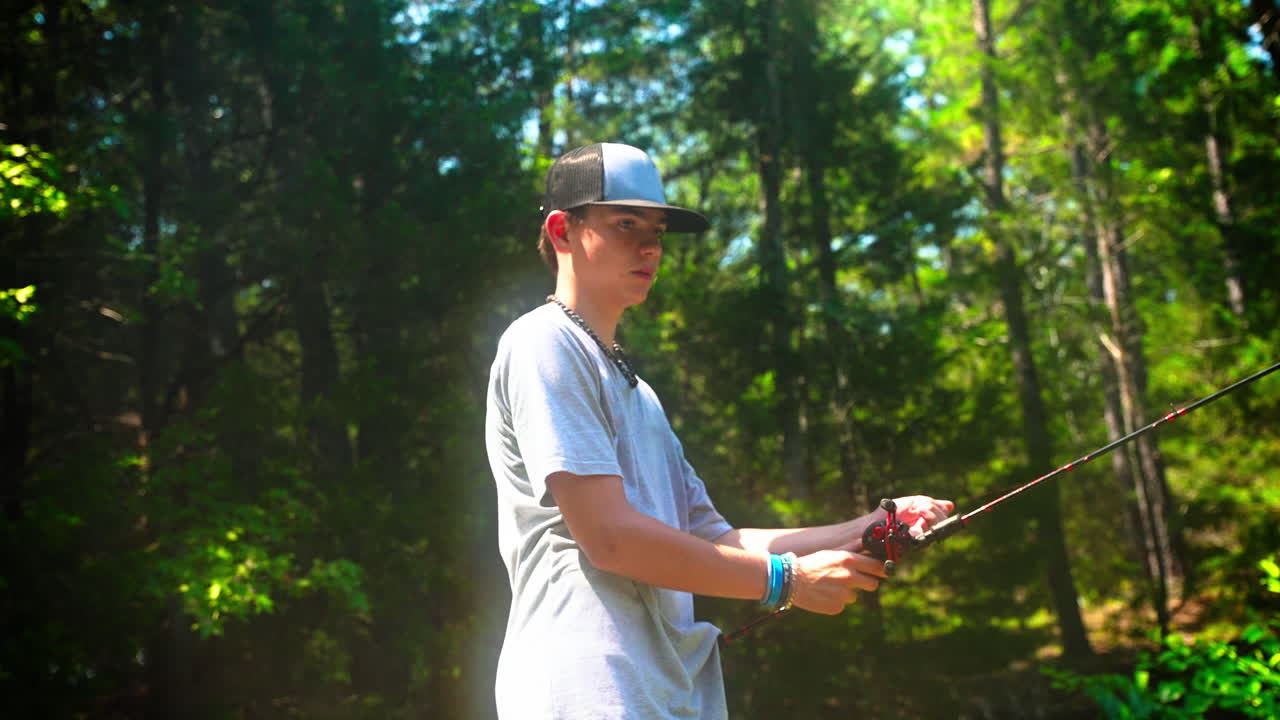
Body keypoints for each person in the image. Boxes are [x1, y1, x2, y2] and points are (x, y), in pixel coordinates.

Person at [484, 142, 954, 719]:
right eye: (625, 223)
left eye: (657, 229)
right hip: (586, 686)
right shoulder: (541, 343)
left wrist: (866, 526)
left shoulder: (641, 395)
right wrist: (788, 581)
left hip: (664, 692)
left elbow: (716, 540)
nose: (650, 245)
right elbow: (607, 537)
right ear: (562, 231)